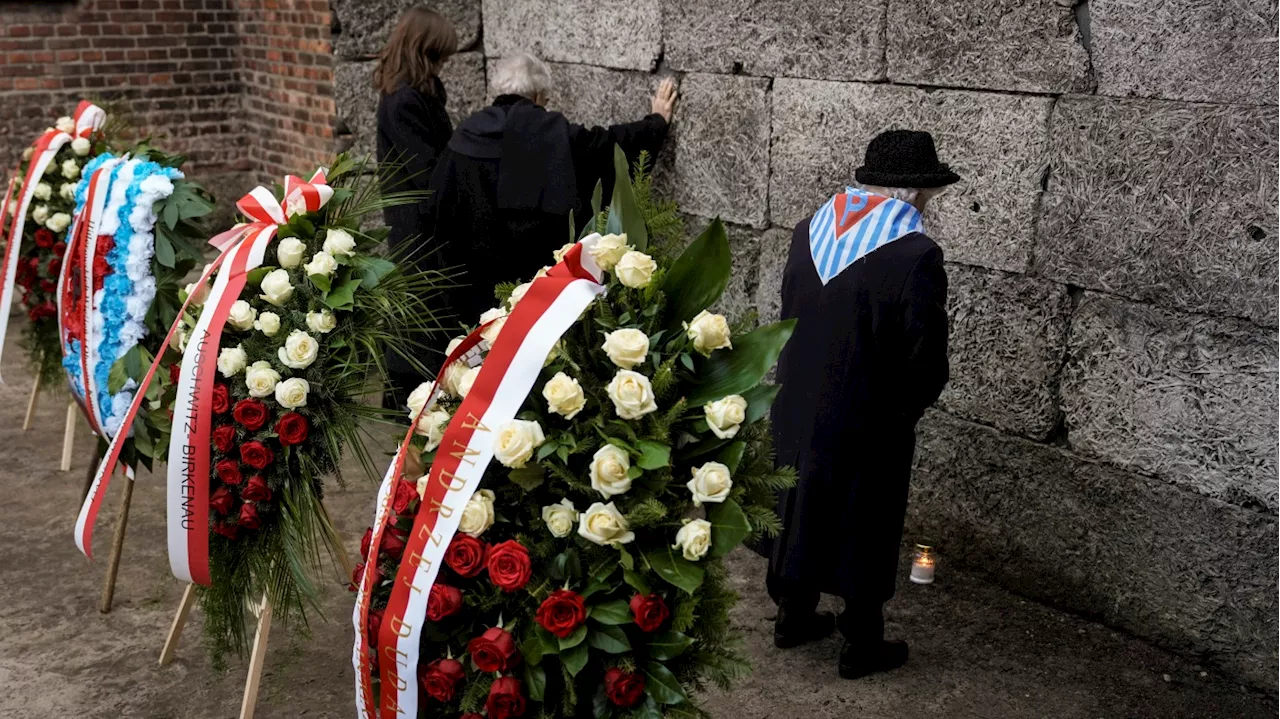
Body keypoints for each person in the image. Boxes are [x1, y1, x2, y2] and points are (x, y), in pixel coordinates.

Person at [758, 130, 955, 680]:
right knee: (864, 519)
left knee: (800, 500)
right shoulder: (917, 255)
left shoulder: (806, 234)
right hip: (871, 415)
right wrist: (905, 411)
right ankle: (861, 644)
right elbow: (925, 357)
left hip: (797, 403)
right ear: (915, 195)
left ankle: (792, 616)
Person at [424, 52, 678, 333]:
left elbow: (437, 208)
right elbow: (607, 147)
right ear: (537, 95)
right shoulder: (552, 131)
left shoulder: (466, 133)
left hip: (473, 283)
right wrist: (656, 122)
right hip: (536, 284)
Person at [371, 6, 458, 407]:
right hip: (417, 222)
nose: (444, 64)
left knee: (424, 309)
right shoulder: (404, 101)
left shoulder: (414, 93)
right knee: (422, 312)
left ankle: (413, 396)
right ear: (424, 51)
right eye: (439, 55)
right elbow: (425, 168)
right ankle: (406, 398)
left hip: (420, 219)